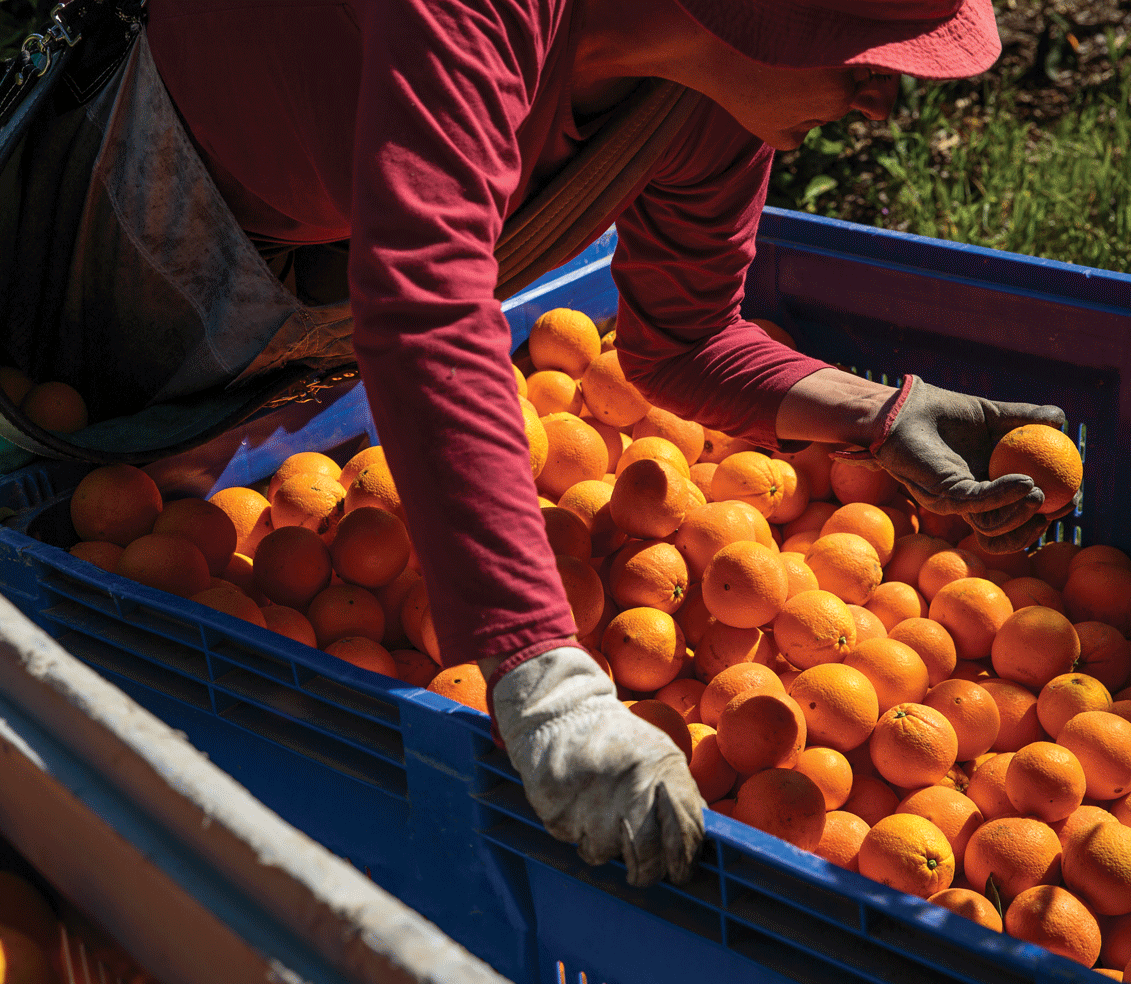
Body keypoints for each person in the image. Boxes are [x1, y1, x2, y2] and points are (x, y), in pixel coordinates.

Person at [143, 0, 1065, 887]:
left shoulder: (709, 107)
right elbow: (425, 300)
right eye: (864, 54)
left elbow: (686, 340)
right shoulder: (475, 14)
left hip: (320, 331)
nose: (883, 103)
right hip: (152, 253)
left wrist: (879, 414)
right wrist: (545, 679)